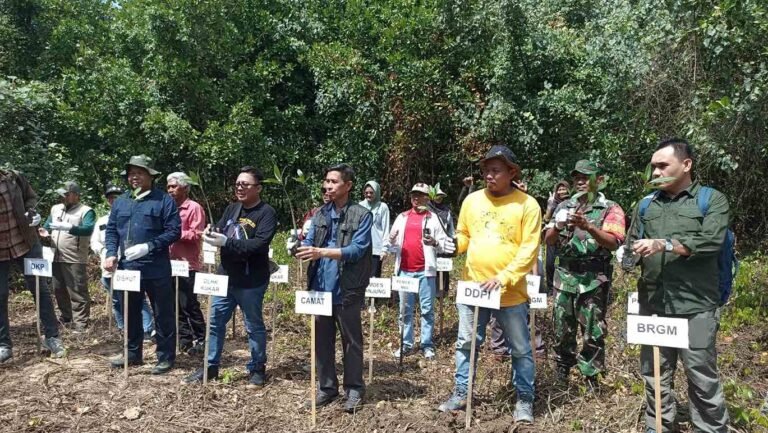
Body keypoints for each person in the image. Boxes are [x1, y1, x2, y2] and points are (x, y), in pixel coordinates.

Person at [627, 138, 729, 433]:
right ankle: (658, 426)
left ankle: (710, 429)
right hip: (653, 304)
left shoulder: (711, 200)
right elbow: (632, 244)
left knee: (701, 376)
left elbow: (711, 242)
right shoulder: (646, 205)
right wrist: (628, 253)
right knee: (655, 374)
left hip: (696, 305)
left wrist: (665, 244)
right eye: (653, 167)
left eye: (662, 165)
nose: (655, 172)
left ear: (686, 165)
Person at [437, 145, 541, 424]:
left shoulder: (527, 205)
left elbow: (529, 249)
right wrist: (453, 245)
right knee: (466, 343)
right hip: (473, 288)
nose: (489, 176)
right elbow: (464, 235)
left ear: (512, 172)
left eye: (496, 170)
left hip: (509, 292)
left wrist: (503, 278)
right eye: (486, 170)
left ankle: (524, 398)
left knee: (520, 348)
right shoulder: (472, 201)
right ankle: (462, 393)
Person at [184, 166, 277, 385]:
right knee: (215, 322)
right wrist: (211, 232)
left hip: (251, 280)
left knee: (253, 325)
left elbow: (258, 244)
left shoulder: (266, 213)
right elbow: (221, 229)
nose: (239, 188)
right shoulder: (232, 209)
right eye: (237, 184)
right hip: (224, 277)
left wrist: (227, 242)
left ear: (258, 188)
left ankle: (257, 368)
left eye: (245, 184)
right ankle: (210, 367)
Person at [295, 164, 372, 414]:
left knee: (351, 341)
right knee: (322, 340)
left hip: (347, 288)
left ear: (348, 186)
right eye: (326, 181)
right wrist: (300, 248)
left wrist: (322, 252)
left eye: (333, 181)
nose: (328, 186)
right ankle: (327, 388)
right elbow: (309, 242)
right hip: (320, 287)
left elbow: (357, 250)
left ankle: (354, 389)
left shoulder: (362, 215)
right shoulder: (318, 214)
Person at [544, 160, 625, 388]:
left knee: (592, 329)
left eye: (585, 177)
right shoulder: (564, 206)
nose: (580, 181)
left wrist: (589, 226)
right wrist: (558, 226)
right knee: (562, 326)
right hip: (564, 276)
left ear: (598, 180)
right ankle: (563, 367)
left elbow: (613, 243)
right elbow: (548, 240)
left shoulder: (610, 208)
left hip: (593, 278)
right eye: (577, 177)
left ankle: (591, 375)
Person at [104, 155, 181, 374]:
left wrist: (149, 246)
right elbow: (112, 230)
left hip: (156, 268)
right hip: (128, 268)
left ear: (150, 176)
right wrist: (111, 253)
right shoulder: (121, 201)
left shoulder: (163, 200)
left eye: (139, 173)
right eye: (131, 174)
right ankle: (132, 353)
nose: (134, 177)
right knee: (130, 311)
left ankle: (165, 357)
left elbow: (174, 231)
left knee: (162, 313)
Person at [0, 169, 66, 362]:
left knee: (40, 289)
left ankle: (52, 337)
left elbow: (30, 197)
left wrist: (32, 212)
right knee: (0, 295)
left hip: (27, 243)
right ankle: (4, 345)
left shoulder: (14, 177)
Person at [386, 183, 454, 360]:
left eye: (420, 195)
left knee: (427, 310)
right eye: (413, 195)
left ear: (427, 198)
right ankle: (406, 344)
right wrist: (391, 241)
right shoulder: (402, 217)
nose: (416, 198)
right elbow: (390, 245)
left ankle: (427, 344)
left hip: (426, 272)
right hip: (404, 271)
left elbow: (445, 244)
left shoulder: (433, 218)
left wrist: (435, 243)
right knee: (405, 311)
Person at [90, 183, 155, 337]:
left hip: (129, 265)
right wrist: (104, 252)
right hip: (108, 267)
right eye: (110, 198)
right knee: (116, 300)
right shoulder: (102, 220)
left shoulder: (132, 216)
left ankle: (146, 329)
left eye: (116, 197)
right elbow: (94, 241)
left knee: (137, 299)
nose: (113, 200)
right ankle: (123, 328)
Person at [40, 181, 96, 332]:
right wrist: (43, 231)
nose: (62, 197)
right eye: (61, 194)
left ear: (76, 195)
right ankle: (67, 317)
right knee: (58, 289)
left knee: (77, 290)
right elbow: (47, 225)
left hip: (75, 257)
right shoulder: (56, 209)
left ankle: (81, 324)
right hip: (55, 256)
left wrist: (71, 228)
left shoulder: (86, 211)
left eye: (66, 194)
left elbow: (88, 229)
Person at [166, 172, 207, 355]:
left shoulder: (194, 208)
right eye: (168, 187)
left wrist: (175, 234)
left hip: (187, 264)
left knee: (189, 303)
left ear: (185, 188)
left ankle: (202, 338)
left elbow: (197, 234)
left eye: (174, 186)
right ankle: (184, 339)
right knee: (174, 304)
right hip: (169, 264)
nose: (170, 190)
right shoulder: (168, 207)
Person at [428, 185, 455, 298]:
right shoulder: (427, 210)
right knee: (430, 267)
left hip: (443, 243)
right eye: (437, 195)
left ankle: (442, 293)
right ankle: (430, 291)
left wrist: (452, 242)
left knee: (443, 269)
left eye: (440, 196)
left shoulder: (446, 211)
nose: (439, 198)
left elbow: (451, 229)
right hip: (429, 243)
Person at [359, 181, 390, 278]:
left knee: (374, 278)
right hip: (362, 248)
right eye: (366, 193)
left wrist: (384, 249)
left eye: (371, 193)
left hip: (376, 249)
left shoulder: (382, 207)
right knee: (361, 277)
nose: (368, 195)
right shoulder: (360, 205)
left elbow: (385, 229)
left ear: (376, 192)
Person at [544, 181, 571, 292]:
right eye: (559, 190)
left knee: (564, 264)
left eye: (564, 189)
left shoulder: (573, 203)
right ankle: (551, 288)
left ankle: (563, 287)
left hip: (566, 239)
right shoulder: (553, 203)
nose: (561, 191)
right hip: (553, 236)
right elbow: (546, 220)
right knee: (550, 263)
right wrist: (550, 207)